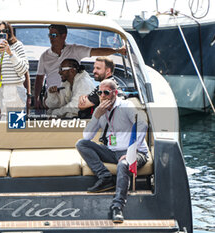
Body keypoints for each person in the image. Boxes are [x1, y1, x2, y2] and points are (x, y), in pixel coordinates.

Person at [75, 79, 148, 223]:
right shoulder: (99, 110)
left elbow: (142, 124)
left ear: (114, 93)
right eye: (100, 92)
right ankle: (105, 177)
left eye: (106, 92)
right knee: (81, 144)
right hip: (111, 151)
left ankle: (117, 207)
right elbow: (87, 136)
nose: (102, 96)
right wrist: (97, 115)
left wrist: (130, 152)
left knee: (123, 165)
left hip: (134, 152)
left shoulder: (126, 106)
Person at [34, 24, 126, 109]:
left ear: (64, 36)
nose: (51, 38)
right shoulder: (44, 56)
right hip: (53, 98)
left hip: (72, 96)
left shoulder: (75, 50)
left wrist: (118, 51)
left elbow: (96, 51)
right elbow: (39, 78)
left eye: (54, 35)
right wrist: (37, 98)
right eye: (49, 35)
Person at [0, 21, 29, 121]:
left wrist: (10, 53)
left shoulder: (17, 46)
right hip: (1, 88)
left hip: (15, 87)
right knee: (5, 121)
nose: (1, 34)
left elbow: (23, 69)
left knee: (13, 122)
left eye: (5, 31)